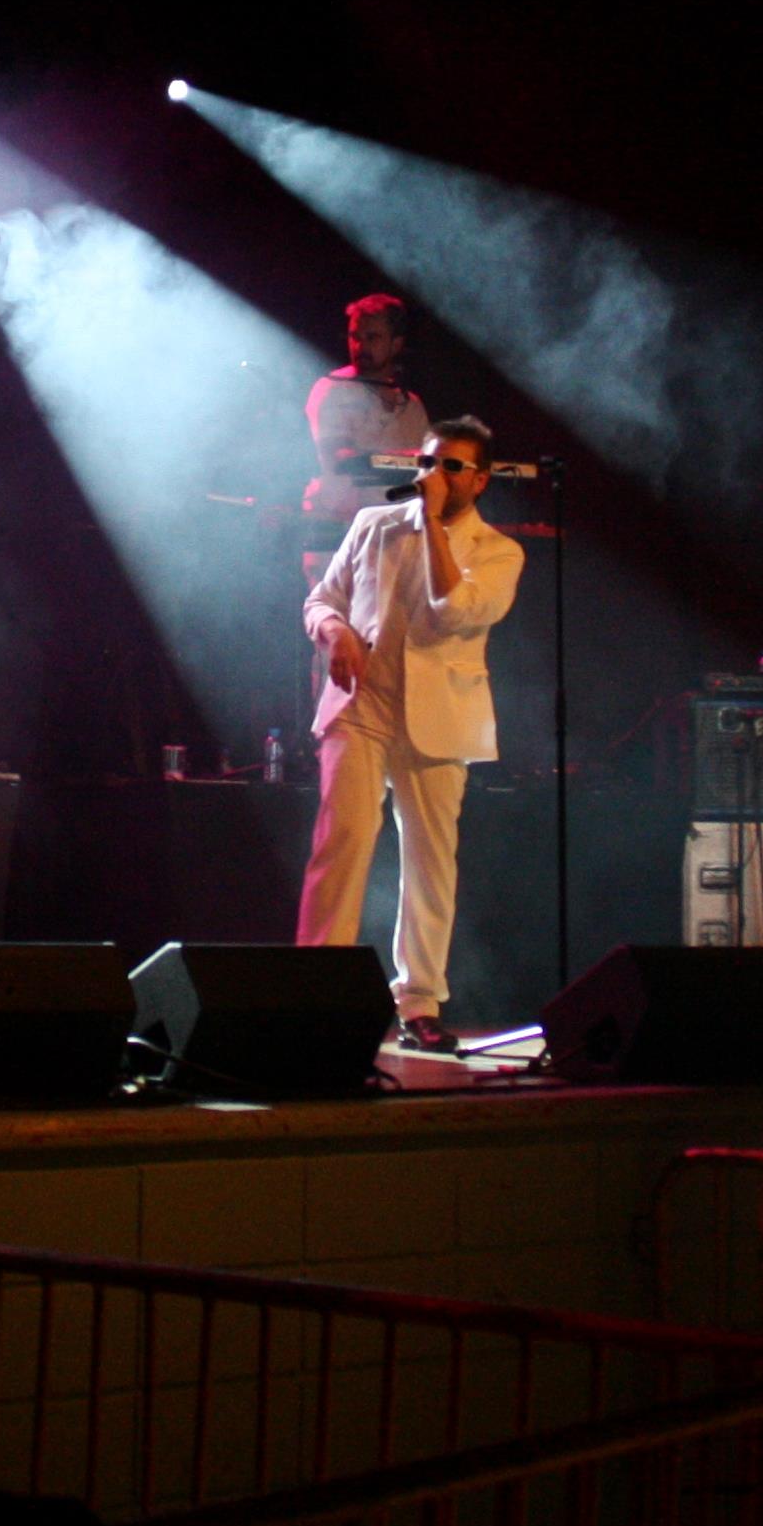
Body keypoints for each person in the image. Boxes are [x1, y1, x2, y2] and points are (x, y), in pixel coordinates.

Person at [294, 416, 524, 1053]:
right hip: (362, 703)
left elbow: (457, 611)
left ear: (478, 480)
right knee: (341, 839)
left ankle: (418, 1002)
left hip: (440, 717)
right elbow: (322, 599)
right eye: (429, 463)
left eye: (453, 467)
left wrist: (432, 530)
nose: (436, 477)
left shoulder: (500, 552)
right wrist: (334, 632)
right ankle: (314, 989)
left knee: (429, 860)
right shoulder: (373, 525)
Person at [300, 293, 429, 550]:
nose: (360, 347)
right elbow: (340, 458)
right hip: (339, 533)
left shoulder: (412, 405)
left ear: (396, 344)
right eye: (355, 337)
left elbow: (426, 471)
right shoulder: (332, 389)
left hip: (396, 535)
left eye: (372, 338)